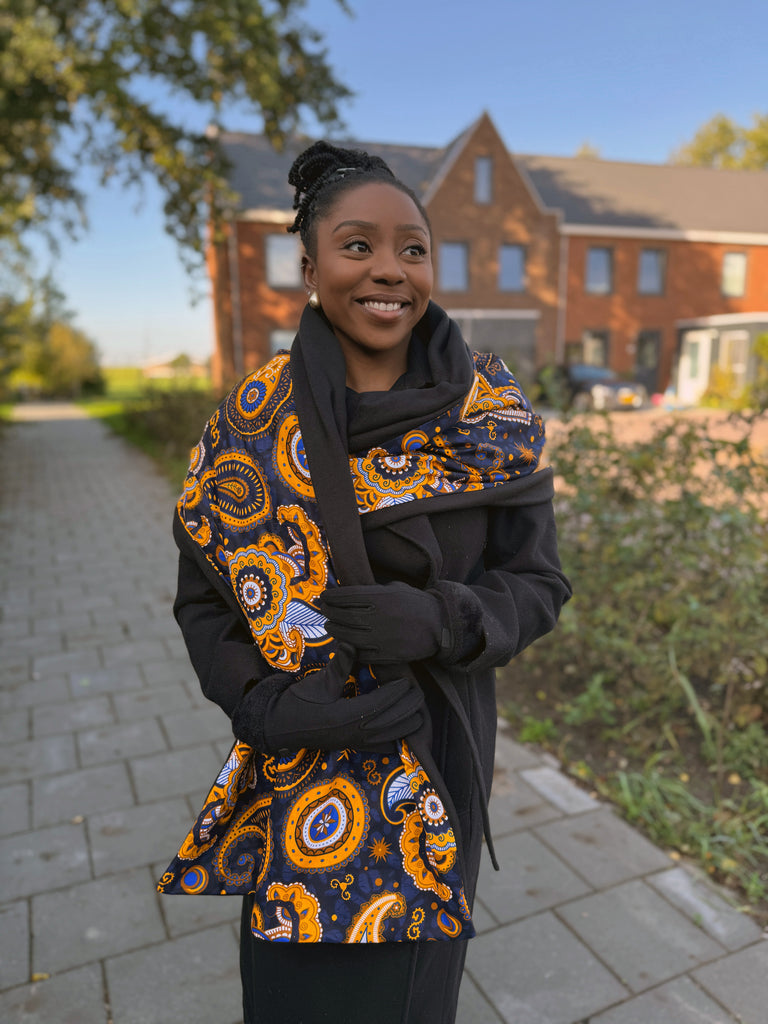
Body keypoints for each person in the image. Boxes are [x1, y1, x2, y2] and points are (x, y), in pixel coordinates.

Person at [157, 140, 571, 1024]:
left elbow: (539, 582)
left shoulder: (491, 416)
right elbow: (203, 600)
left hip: (436, 753)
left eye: (412, 248)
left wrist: (445, 621)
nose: (389, 268)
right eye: (357, 245)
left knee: (411, 995)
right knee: (292, 994)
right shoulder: (251, 426)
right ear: (310, 270)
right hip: (297, 762)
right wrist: (261, 707)